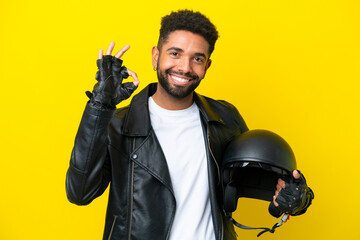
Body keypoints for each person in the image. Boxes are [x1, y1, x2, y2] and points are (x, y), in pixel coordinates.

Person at [66, 10, 311, 240]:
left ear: (207, 66)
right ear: (155, 55)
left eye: (197, 58)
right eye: (175, 53)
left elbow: (264, 183)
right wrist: (100, 107)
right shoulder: (118, 124)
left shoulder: (225, 118)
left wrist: (296, 198)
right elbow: (79, 193)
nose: (184, 67)